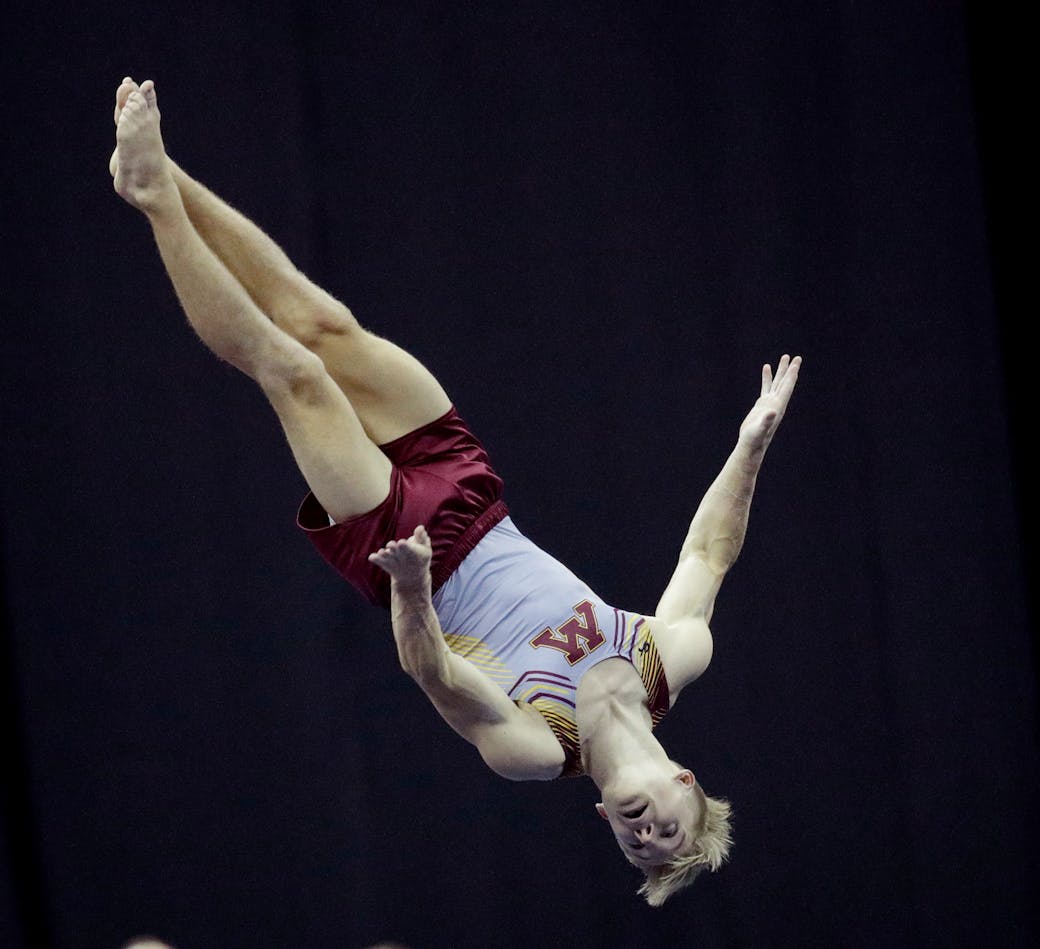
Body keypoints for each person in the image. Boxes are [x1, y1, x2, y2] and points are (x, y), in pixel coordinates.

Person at [110, 77, 800, 906]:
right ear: (687, 783)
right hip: (473, 491)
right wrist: (749, 443)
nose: (643, 830)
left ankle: (153, 200)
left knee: (293, 375)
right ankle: (164, 171)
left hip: (416, 558)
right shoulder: (671, 658)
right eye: (666, 829)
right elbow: (708, 549)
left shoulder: (538, 752)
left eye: (635, 843)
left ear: (606, 824)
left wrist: (408, 585)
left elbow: (434, 673)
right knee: (325, 325)